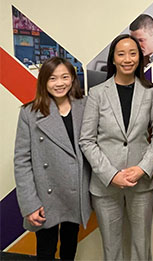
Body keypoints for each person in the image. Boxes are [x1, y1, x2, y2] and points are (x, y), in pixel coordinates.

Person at [79, 34, 153, 260]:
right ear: (113, 59)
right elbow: (87, 140)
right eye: (121, 54)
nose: (128, 59)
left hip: (141, 182)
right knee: (111, 248)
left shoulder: (150, 92)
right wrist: (111, 174)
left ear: (139, 58)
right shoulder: (97, 94)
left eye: (133, 53)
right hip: (106, 185)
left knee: (141, 245)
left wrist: (143, 168)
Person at [14, 57, 92, 260]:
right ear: (43, 82)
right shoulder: (29, 113)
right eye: (52, 78)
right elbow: (22, 161)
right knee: (46, 250)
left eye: (65, 77)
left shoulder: (85, 106)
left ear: (73, 79)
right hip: (44, 196)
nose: (59, 83)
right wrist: (30, 204)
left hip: (76, 192)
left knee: (69, 247)